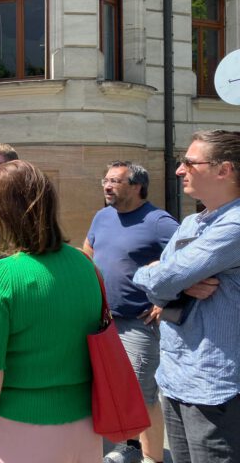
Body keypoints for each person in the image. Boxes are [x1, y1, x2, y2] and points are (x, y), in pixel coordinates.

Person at [0, 160, 103, 462]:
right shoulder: (85, 264)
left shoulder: (0, 275)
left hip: (17, 428)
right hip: (85, 423)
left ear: (2, 212)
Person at [134, 130, 240, 463]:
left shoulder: (234, 225)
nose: (180, 170)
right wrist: (173, 281)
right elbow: (162, 281)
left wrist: (169, 279)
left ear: (224, 170)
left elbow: (163, 278)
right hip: (176, 374)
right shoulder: (194, 221)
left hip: (214, 384)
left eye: (190, 163)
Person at [84, 161, 178, 463]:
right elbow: (89, 251)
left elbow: (187, 261)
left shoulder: (158, 221)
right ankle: (129, 446)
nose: (107, 186)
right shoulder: (102, 216)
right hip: (102, 320)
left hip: (139, 322)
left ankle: (152, 458)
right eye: (106, 180)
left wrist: (164, 300)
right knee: (107, 387)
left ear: (137, 186)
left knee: (141, 394)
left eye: (116, 181)